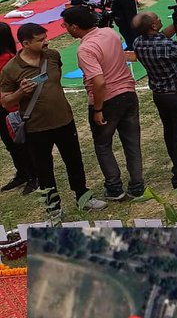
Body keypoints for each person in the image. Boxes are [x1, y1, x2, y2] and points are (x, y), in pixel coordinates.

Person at [0, 23, 107, 220]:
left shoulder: (53, 56)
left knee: (74, 161)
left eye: (45, 37)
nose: (46, 42)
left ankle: (83, 197)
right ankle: (53, 208)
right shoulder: (11, 69)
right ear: (25, 43)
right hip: (36, 127)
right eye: (40, 40)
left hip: (64, 120)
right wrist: (20, 93)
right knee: (44, 169)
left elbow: (54, 79)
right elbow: (5, 101)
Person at [62, 5, 145, 202]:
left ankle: (114, 188)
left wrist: (97, 109)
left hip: (107, 101)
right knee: (132, 143)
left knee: (103, 145)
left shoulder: (86, 49)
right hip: (128, 93)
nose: (64, 28)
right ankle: (137, 185)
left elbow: (99, 82)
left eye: (65, 25)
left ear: (74, 27)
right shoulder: (110, 33)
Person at [132, 9, 177, 191]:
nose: (160, 20)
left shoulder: (138, 43)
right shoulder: (169, 47)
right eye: (158, 19)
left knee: (171, 132)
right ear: (154, 26)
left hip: (160, 96)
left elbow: (161, 36)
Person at [0, 22, 36, 194]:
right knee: (9, 143)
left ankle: (33, 175)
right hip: (4, 106)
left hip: (11, 107)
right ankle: (22, 172)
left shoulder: (7, 59)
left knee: (20, 142)